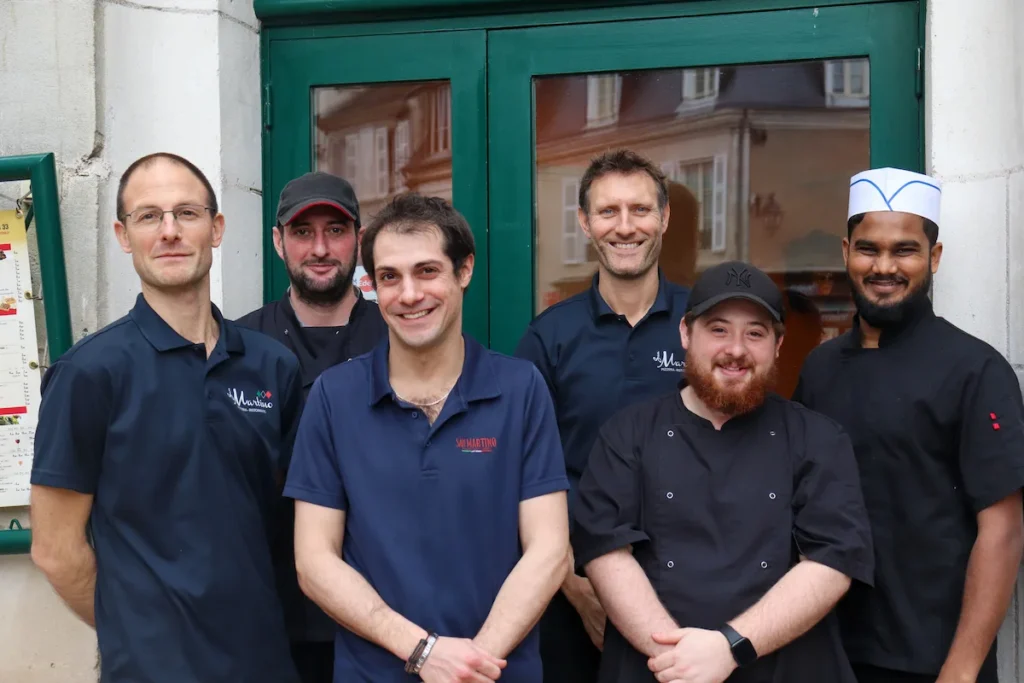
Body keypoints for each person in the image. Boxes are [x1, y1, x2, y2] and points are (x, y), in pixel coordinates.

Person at [29, 153, 301, 683]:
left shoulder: (272, 366)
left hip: (263, 662)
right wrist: (136, 629)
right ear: (123, 235)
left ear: (216, 228)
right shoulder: (88, 374)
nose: (170, 231)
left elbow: (277, 526)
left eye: (187, 213)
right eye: (149, 216)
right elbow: (56, 550)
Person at [283, 192, 571, 682]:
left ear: (464, 271)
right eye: (390, 277)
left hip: (498, 671)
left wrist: (471, 663)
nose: (410, 294)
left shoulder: (521, 390)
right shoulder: (335, 397)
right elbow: (314, 561)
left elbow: (549, 549)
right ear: (371, 285)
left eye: (428, 271)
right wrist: (423, 652)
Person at [573, 260, 875, 683]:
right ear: (685, 333)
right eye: (718, 329)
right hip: (658, 668)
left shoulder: (818, 438)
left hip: (784, 668)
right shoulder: (628, 434)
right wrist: (680, 662)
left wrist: (729, 647)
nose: (736, 349)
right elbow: (606, 553)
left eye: (755, 333)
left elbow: (832, 561)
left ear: (778, 344)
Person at [793, 167, 1024, 683]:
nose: (884, 266)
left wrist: (961, 670)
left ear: (934, 258)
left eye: (905, 250)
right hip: (826, 655)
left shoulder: (975, 370)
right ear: (846, 251)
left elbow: (1003, 531)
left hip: (933, 662)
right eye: (869, 249)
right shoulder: (820, 369)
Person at [515, 148, 691, 682]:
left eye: (639, 210)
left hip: (688, 588)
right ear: (585, 223)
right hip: (575, 595)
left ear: (664, 218)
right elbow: (522, 475)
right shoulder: (549, 338)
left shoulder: (703, 327)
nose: (625, 227)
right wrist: (570, 580)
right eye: (608, 212)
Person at [236, 171, 387, 683]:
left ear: (359, 241)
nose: (320, 248)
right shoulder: (239, 347)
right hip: (268, 617)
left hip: (386, 612)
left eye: (336, 230)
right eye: (302, 232)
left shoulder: (399, 339)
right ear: (278, 242)